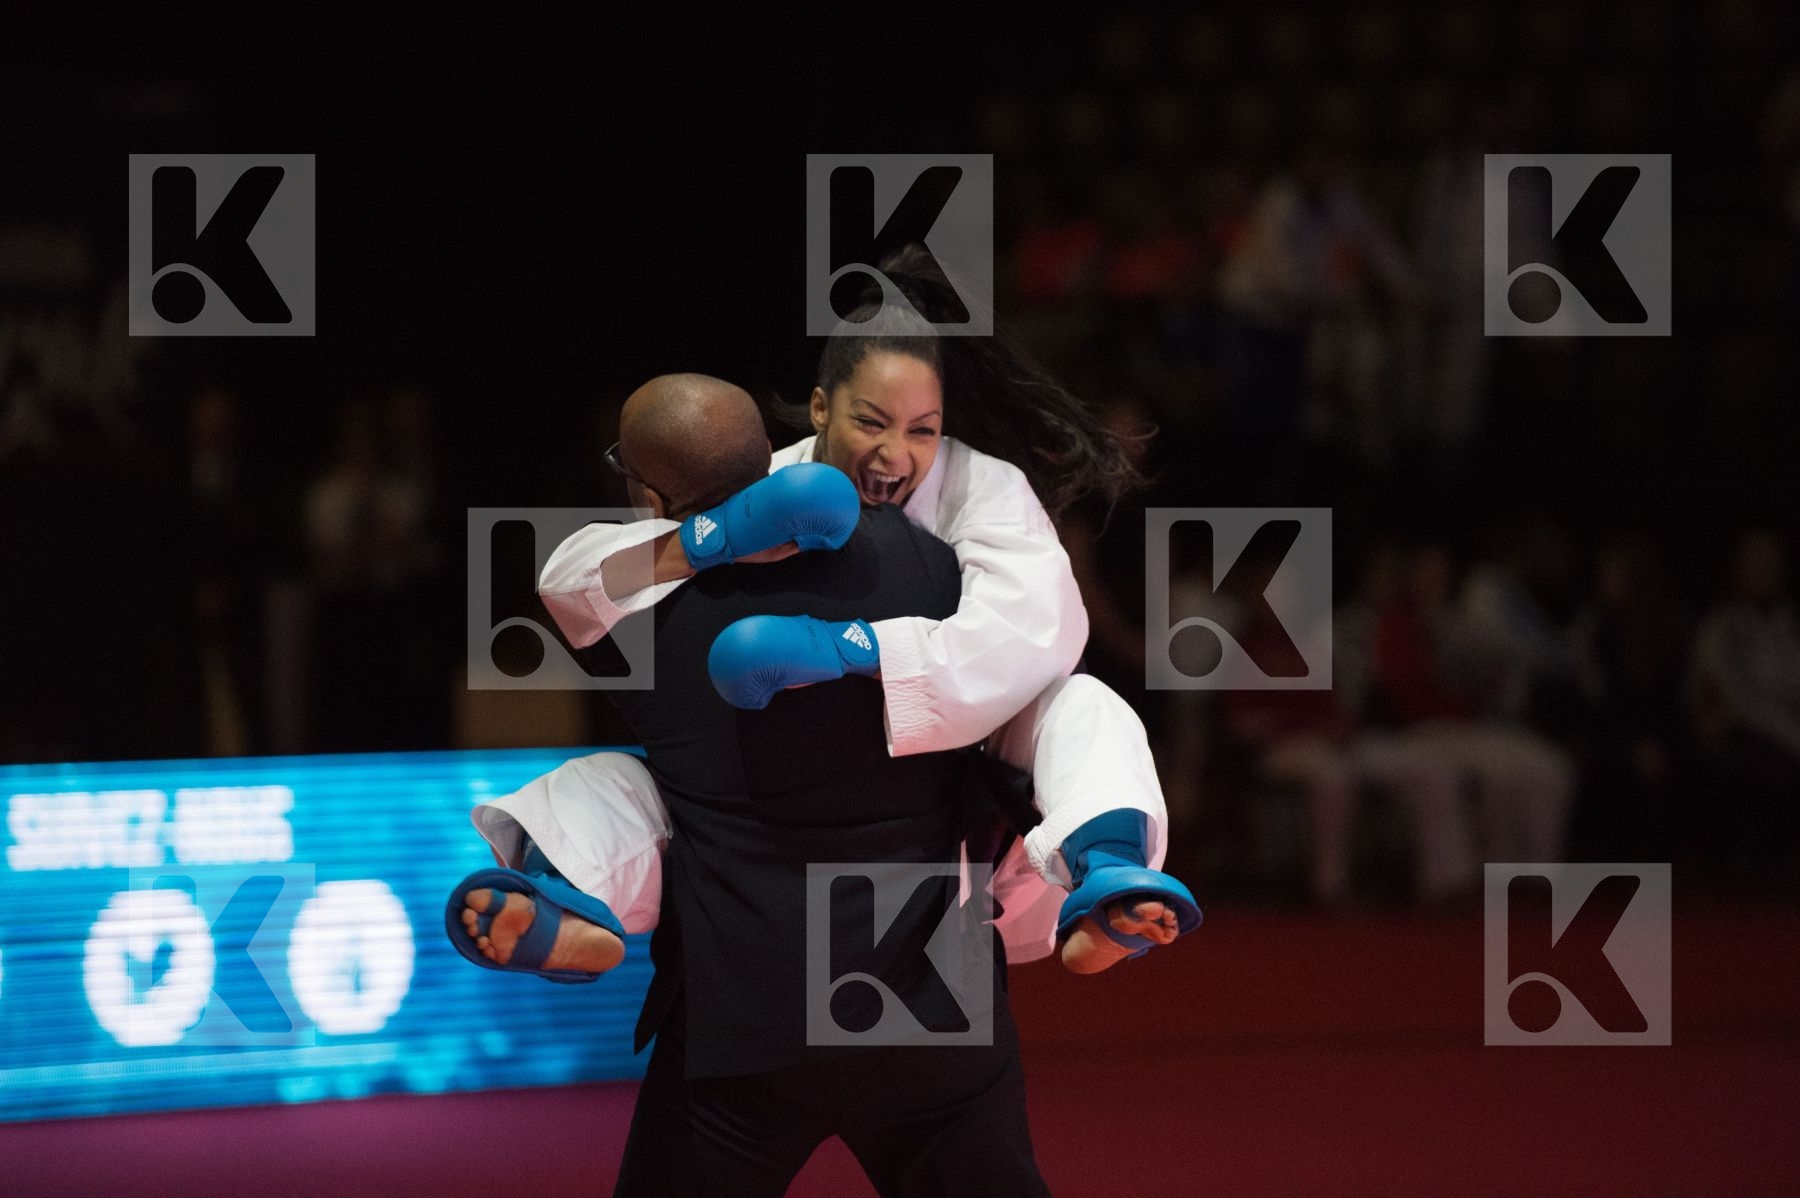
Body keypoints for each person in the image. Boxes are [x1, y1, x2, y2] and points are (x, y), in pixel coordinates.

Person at [476, 247, 1200, 975]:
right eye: (872, 422)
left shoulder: (982, 487)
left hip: (957, 827)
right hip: (772, 820)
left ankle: (1105, 878)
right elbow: (569, 580)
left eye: (923, 429)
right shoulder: (770, 484)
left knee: (1083, 704)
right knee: (613, 781)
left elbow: (1036, 633)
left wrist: (849, 646)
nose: (896, 453)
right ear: (820, 408)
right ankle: (559, 898)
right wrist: (707, 541)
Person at [464, 375, 1054, 1194]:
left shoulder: (635, 622)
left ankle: (567, 883)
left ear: (647, 492)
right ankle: (1111, 849)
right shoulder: (933, 567)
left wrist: (701, 540)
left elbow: (568, 580)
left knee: (619, 783)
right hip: (930, 993)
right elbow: (1029, 643)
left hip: (747, 1005)